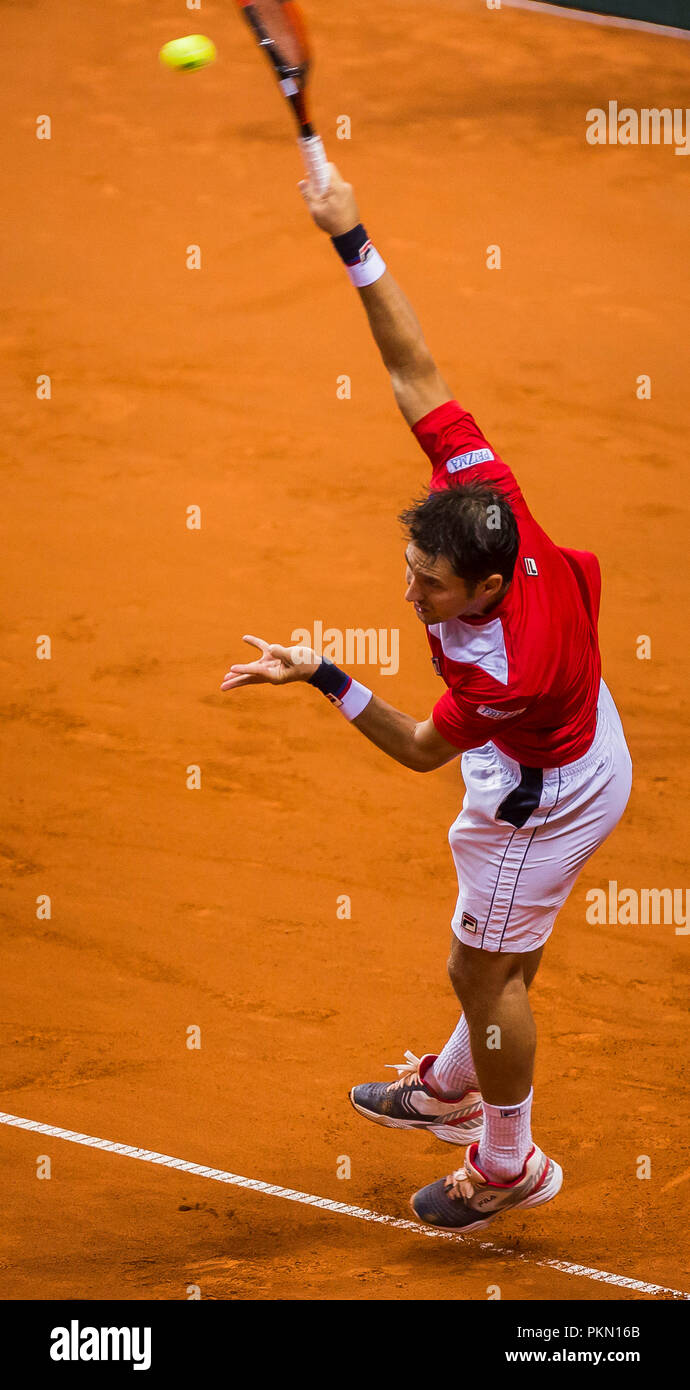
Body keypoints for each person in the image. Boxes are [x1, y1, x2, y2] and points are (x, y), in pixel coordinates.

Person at [221, 165, 632, 1233]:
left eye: (432, 585)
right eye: (411, 567)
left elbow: (414, 746)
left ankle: (506, 1160)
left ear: (487, 586)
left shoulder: (509, 666)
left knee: (479, 966)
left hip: (538, 788)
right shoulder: (486, 499)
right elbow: (414, 370)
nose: (410, 591)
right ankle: (454, 1090)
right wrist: (350, 234)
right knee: (509, 949)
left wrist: (319, 674)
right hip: (578, 751)